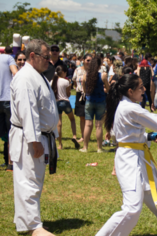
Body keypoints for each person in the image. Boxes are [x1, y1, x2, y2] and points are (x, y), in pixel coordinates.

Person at [96, 74, 157, 236]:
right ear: (130, 91)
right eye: (140, 87)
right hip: (130, 159)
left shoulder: (127, 106)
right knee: (132, 208)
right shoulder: (130, 108)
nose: (144, 90)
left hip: (137, 155)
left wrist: (148, 137)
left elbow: (129, 134)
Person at [10, 39, 58, 236]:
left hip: (40, 136)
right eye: (45, 57)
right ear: (33, 56)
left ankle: (27, 219)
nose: (49, 61)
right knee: (28, 180)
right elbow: (27, 111)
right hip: (28, 137)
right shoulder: (25, 78)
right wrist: (34, 140)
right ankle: (32, 227)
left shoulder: (37, 75)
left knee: (34, 180)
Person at [81, 57, 110, 153]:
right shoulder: (103, 75)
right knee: (98, 125)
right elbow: (107, 88)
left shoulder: (86, 75)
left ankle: (85, 147)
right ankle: (99, 148)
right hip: (100, 101)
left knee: (88, 124)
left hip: (89, 101)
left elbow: (85, 90)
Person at [50, 65, 80, 149]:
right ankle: (74, 136)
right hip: (65, 102)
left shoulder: (52, 81)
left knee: (59, 124)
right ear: (63, 72)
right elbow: (68, 94)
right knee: (72, 119)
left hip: (56, 103)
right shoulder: (66, 81)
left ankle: (60, 144)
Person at [0, 45, 18, 171]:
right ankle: (11, 163)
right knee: (10, 132)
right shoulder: (8, 59)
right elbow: (15, 73)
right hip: (7, 99)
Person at [72, 54, 92, 143]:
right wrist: (79, 89)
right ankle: (83, 136)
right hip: (80, 94)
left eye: (91, 60)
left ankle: (88, 135)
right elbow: (74, 81)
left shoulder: (93, 71)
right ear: (83, 60)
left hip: (90, 95)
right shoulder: (78, 70)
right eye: (88, 60)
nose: (89, 62)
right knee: (81, 116)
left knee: (89, 117)